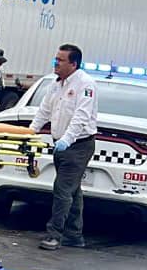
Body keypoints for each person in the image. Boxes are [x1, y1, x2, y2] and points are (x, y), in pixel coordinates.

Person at [29, 44, 97, 250]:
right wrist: (30, 132)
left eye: (60, 60)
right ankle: (74, 235)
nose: (55, 63)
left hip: (78, 145)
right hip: (61, 144)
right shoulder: (56, 84)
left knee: (62, 189)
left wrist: (67, 139)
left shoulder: (85, 84)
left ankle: (54, 234)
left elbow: (81, 117)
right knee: (72, 191)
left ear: (73, 64)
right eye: (55, 59)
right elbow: (44, 110)